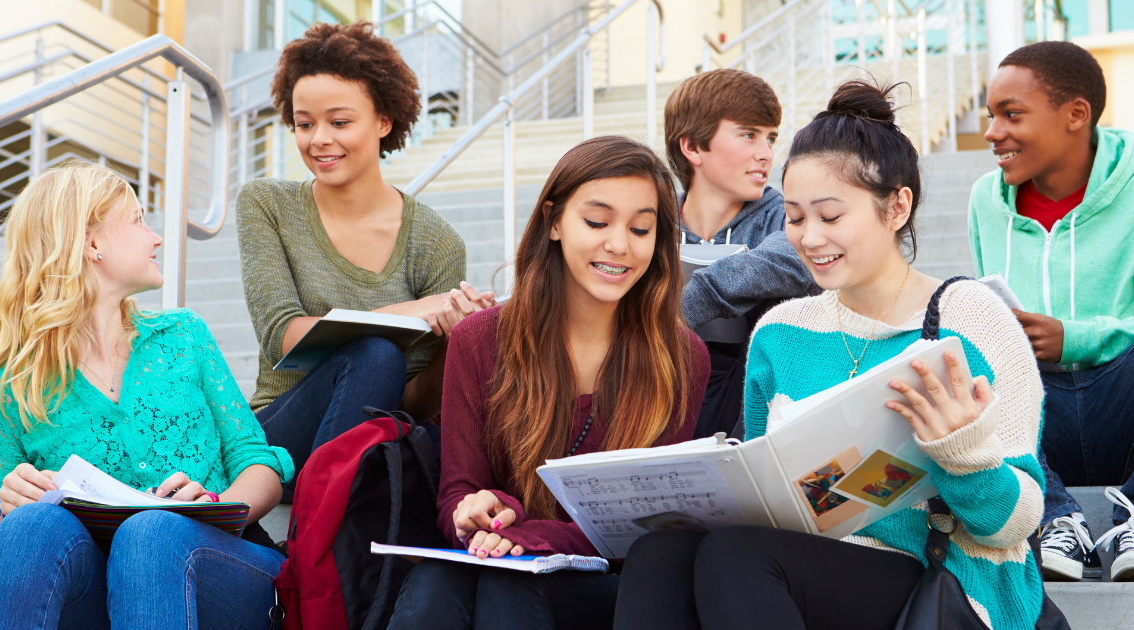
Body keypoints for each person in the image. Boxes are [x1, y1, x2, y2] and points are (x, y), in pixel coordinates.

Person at [614, 80, 1046, 630]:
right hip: (800, 569)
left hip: (941, 578)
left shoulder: (971, 319)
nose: (809, 237)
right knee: (661, 553)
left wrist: (962, 454)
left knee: (739, 555)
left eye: (830, 216)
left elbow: (1016, 525)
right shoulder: (781, 331)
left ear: (897, 208)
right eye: (794, 217)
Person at [384, 136, 711, 630]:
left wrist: (531, 536)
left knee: (505, 579)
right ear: (554, 221)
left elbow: (643, 528)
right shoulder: (479, 340)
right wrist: (477, 514)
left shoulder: (682, 358)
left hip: (609, 588)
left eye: (641, 228)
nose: (619, 244)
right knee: (439, 581)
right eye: (597, 222)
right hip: (502, 568)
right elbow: (459, 492)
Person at [0, 161, 292, 629]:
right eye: (139, 220)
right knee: (31, 527)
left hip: (223, 572)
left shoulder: (184, 336)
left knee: (151, 533)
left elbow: (258, 463)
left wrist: (216, 504)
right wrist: (7, 509)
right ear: (92, 243)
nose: (156, 237)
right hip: (94, 590)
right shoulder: (1, 391)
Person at [239, 21, 491, 496]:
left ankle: (334, 523)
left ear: (383, 121)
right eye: (304, 123)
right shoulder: (266, 205)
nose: (318, 140)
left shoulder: (436, 242)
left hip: (366, 442)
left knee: (385, 368)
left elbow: (412, 402)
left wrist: (454, 345)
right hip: (277, 441)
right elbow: (282, 339)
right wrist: (411, 312)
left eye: (339, 122)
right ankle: (321, 529)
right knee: (376, 352)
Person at [968, 41, 1134, 581]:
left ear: (1075, 115)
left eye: (1012, 115)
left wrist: (1073, 337)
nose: (992, 133)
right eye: (991, 116)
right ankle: (1057, 517)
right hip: (1035, 419)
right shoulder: (985, 202)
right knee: (958, 318)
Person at [665, 69, 818, 439]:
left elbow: (795, 255)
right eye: (749, 135)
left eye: (770, 139)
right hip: (661, 389)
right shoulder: (652, 221)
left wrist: (677, 309)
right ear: (693, 147)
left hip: (750, 404)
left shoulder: (783, 215)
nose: (766, 154)